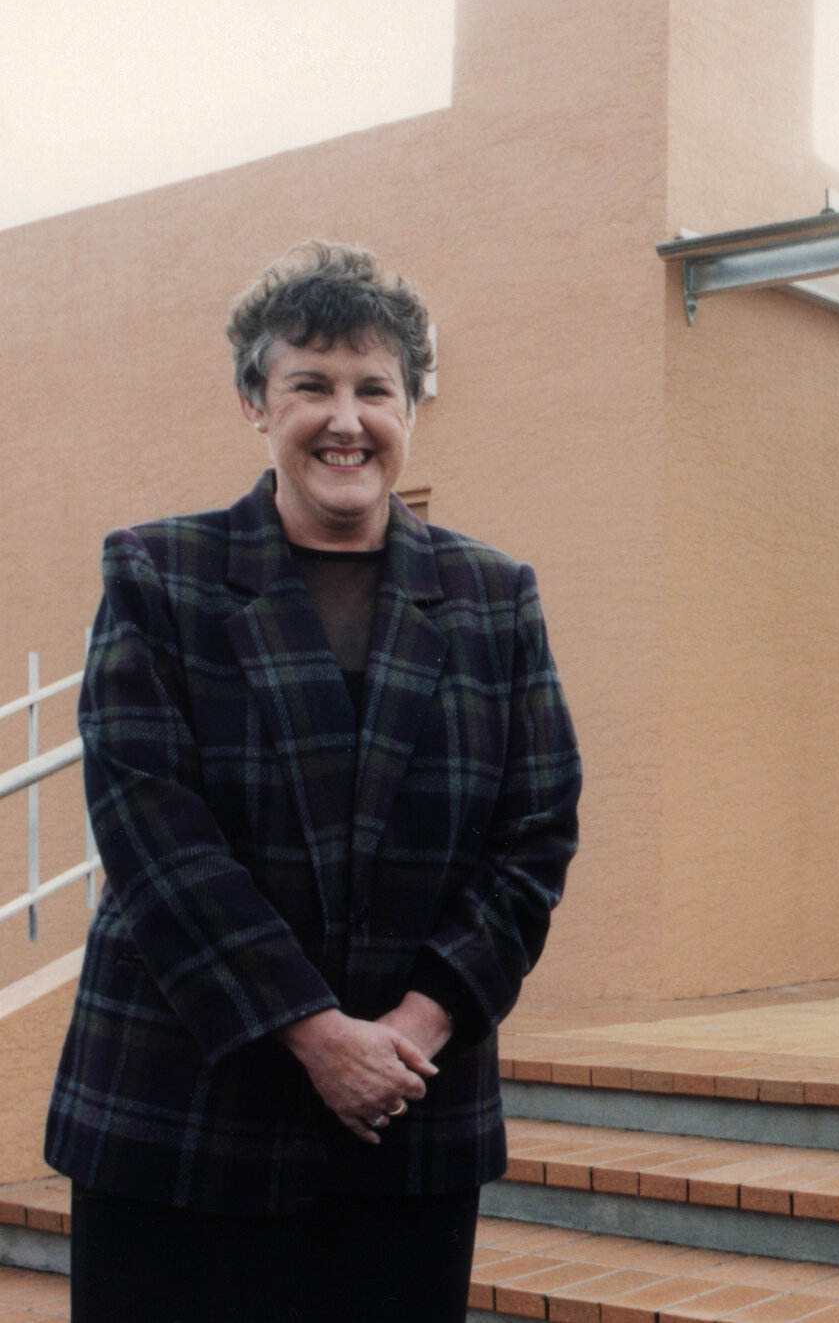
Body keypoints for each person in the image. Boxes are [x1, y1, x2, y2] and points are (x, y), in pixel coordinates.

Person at [45, 241, 583, 1322]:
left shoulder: (492, 596)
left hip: (405, 1116)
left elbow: (533, 834)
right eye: (311, 386)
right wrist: (314, 1034)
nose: (346, 419)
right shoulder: (159, 574)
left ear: (411, 409)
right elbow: (153, 832)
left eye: (374, 388)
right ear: (256, 402)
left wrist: (415, 1032)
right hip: (185, 1109)